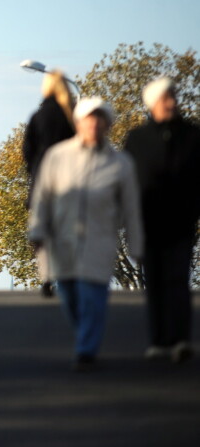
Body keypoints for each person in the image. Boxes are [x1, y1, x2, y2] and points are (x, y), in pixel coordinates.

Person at [28, 97, 143, 372]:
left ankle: (86, 350)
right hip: (62, 240)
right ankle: (85, 336)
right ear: (78, 123)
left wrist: (137, 246)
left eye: (100, 118)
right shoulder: (57, 156)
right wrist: (37, 229)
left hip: (99, 240)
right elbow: (42, 197)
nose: (94, 123)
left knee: (92, 296)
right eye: (89, 118)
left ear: (107, 124)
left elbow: (131, 208)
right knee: (70, 296)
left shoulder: (120, 163)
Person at [124, 77, 200, 364]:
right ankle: (158, 341)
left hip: (182, 222)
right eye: (164, 98)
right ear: (152, 104)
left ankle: (181, 340)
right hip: (148, 222)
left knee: (178, 279)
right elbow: (128, 181)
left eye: (173, 97)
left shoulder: (193, 135)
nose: (171, 103)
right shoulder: (137, 139)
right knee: (154, 282)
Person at [23, 71, 76, 298]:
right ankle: (66, 273)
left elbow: (28, 150)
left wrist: (33, 171)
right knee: (67, 229)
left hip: (43, 180)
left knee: (42, 231)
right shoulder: (72, 116)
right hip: (70, 180)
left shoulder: (39, 116)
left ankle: (46, 276)